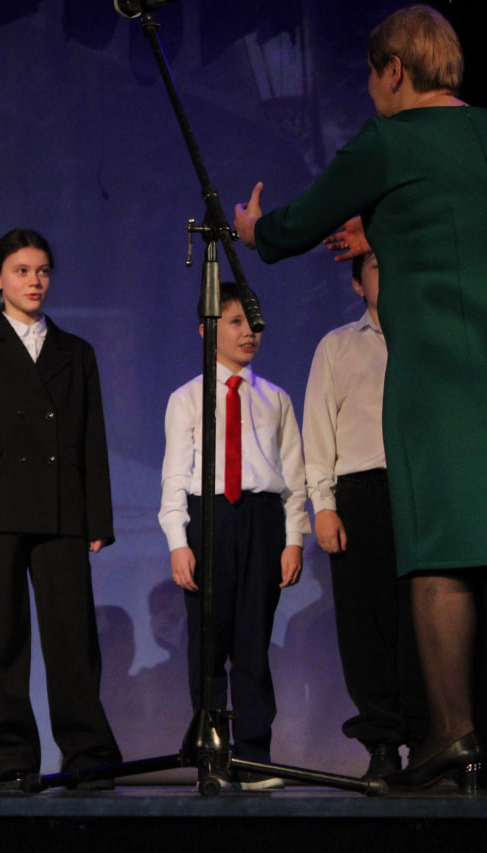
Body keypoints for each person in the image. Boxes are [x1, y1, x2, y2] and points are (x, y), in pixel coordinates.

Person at [234, 4, 486, 791]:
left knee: (439, 554)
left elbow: (294, 228)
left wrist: (254, 227)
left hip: (437, 373)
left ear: (394, 71)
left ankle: (452, 732)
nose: (372, 92)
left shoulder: (390, 139)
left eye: (373, 78)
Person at [0, 228, 121, 793]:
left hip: (62, 505)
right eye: (21, 271)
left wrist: (98, 518)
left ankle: (88, 756)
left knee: (73, 638)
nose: (35, 281)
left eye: (42, 270)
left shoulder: (75, 351)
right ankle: (6, 758)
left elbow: (92, 439)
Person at [158, 281, 309, 790]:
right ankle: (213, 755)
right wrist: (179, 542)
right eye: (236, 322)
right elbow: (174, 477)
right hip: (209, 518)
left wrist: (294, 538)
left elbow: (294, 476)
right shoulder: (187, 398)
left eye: (254, 322)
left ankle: (254, 755)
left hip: (261, 520)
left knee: (252, 642)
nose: (249, 332)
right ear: (208, 330)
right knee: (208, 644)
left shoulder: (276, 398)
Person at [302, 252, 428, 779]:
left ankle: (430, 740)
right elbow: (318, 429)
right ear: (357, 284)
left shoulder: (425, 338)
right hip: (360, 491)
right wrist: (324, 506)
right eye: (375, 265)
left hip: (424, 489)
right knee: (365, 625)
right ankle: (382, 744)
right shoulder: (338, 345)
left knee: (426, 621)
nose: (387, 273)